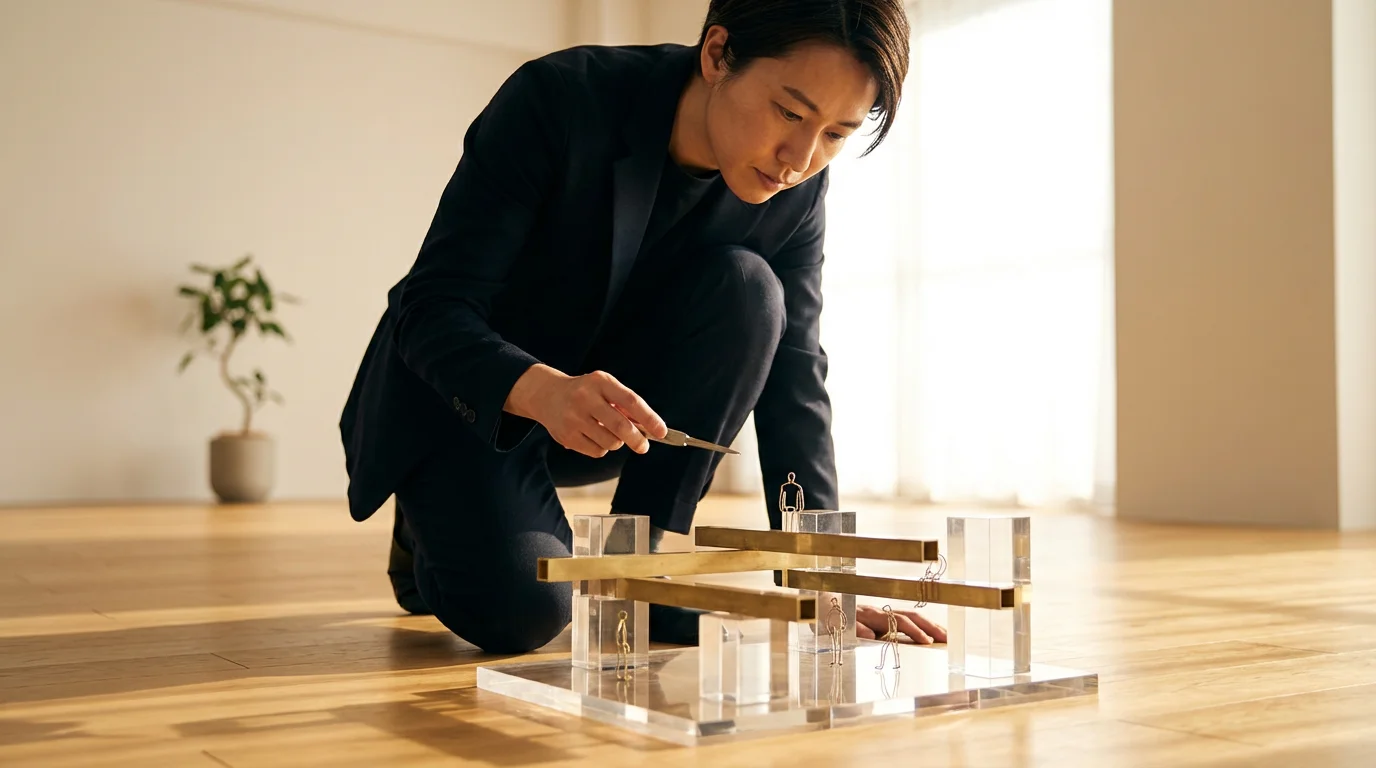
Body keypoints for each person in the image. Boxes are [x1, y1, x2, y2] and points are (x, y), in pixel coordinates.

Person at [339, 0, 946, 654]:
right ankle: (428, 524)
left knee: (753, 292)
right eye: (790, 113)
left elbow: (796, 375)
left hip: (605, 428)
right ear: (717, 54)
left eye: (836, 134)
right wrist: (543, 391)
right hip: (469, 399)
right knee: (524, 612)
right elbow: (432, 305)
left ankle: (643, 555)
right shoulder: (562, 98)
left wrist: (828, 574)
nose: (799, 157)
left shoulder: (795, 190)